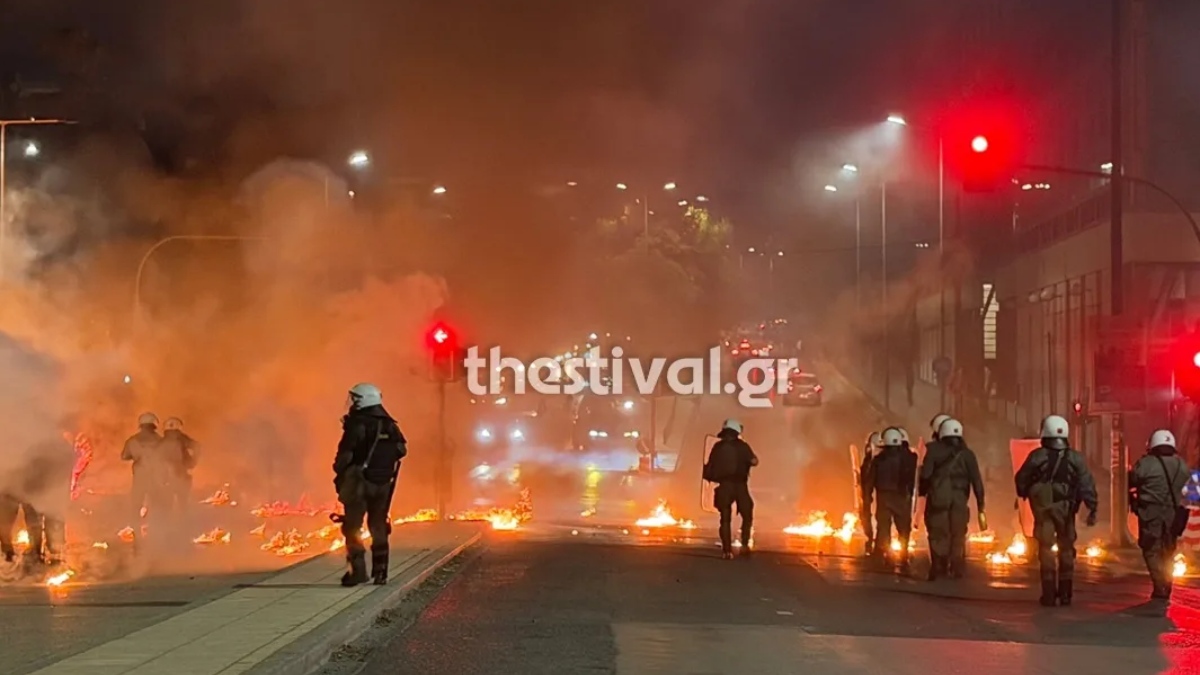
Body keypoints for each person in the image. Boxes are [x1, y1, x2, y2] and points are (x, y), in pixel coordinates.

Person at [1015, 414, 1098, 606]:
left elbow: (1022, 478)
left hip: (1043, 509)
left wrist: (1024, 492)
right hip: (1066, 508)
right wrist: (1092, 506)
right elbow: (1086, 483)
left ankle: (1049, 593)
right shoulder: (1075, 458)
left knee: (1046, 548)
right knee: (1066, 547)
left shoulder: (1037, 456)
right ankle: (1066, 592)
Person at [333, 383, 406, 587]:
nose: (352, 402)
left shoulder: (357, 424)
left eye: (355, 398)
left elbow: (345, 455)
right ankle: (381, 572)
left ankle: (358, 572)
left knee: (352, 527)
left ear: (361, 400)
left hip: (359, 483)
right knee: (378, 525)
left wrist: (340, 472)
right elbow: (401, 450)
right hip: (383, 484)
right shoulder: (390, 425)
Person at [919, 418, 985, 580]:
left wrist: (923, 492)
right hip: (960, 500)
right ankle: (956, 566)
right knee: (958, 532)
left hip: (938, 498)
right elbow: (977, 481)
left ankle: (938, 565)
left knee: (937, 531)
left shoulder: (932, 450)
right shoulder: (968, 454)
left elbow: (925, 475)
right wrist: (981, 506)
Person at [1129, 429, 1191, 600]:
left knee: (1151, 549)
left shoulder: (1145, 464)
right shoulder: (1181, 465)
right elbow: (1188, 486)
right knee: (1168, 550)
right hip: (1173, 513)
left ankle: (1160, 584)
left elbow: (1134, 479)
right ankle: (1167, 583)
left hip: (1151, 512)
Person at [862, 427, 917, 571]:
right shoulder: (908, 459)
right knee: (904, 529)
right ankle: (903, 557)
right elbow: (913, 479)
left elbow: (869, 482)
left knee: (883, 528)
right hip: (901, 498)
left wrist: (867, 498)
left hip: (884, 498)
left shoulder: (878, 460)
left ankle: (883, 557)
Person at [703, 419, 758, 559]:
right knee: (747, 514)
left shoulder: (717, 447)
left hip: (724, 486)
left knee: (725, 519)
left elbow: (710, 466)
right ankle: (744, 545)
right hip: (740, 485)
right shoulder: (742, 446)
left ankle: (727, 551)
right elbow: (754, 461)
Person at [121, 413, 169, 541]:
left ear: (141, 425)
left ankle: (137, 533)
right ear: (154, 425)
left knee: (136, 505)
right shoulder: (161, 441)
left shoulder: (133, 440)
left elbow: (124, 456)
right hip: (156, 478)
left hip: (140, 477)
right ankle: (156, 532)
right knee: (157, 505)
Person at [160, 417, 199, 516]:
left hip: (166, 478)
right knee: (183, 504)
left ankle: (167, 522)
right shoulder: (182, 439)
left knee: (167, 505)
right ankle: (183, 521)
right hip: (181, 475)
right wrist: (192, 461)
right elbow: (197, 447)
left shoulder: (161, 442)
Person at [859, 431, 883, 556]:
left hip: (880, 494)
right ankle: (876, 543)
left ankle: (878, 545)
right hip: (876, 495)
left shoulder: (875, 461)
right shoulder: (870, 460)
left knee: (882, 519)